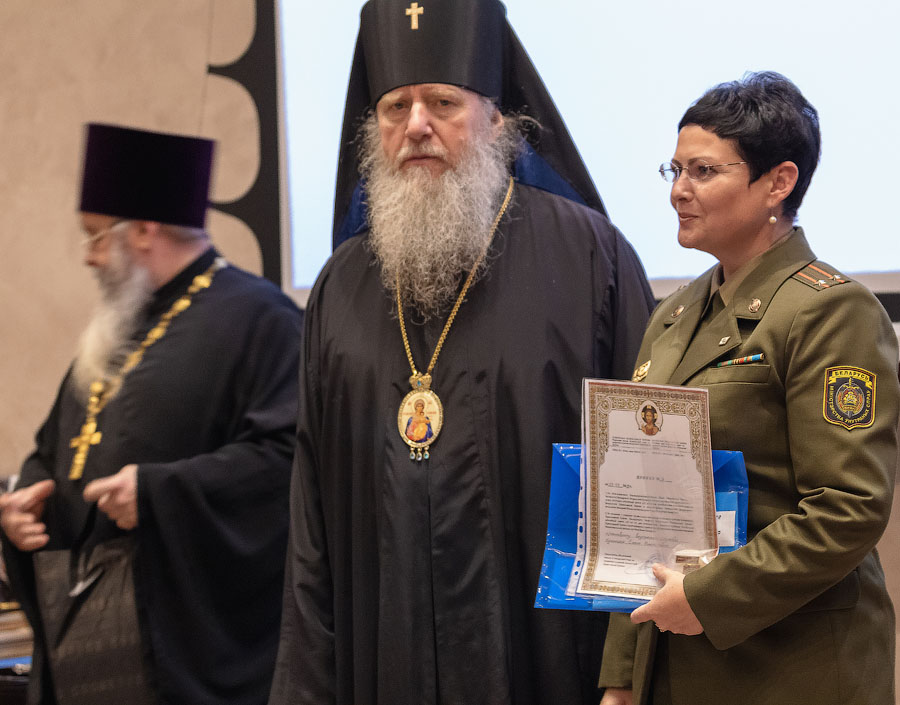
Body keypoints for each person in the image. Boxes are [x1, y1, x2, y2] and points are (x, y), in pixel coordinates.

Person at [267, 1, 655, 704]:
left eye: (443, 103)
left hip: (553, 664)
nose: (417, 125)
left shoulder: (590, 259)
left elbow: (644, 481)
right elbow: (312, 520)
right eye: (396, 107)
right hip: (386, 662)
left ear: (497, 120)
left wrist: (627, 675)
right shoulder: (340, 285)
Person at [598, 72, 898, 705]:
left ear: (779, 183)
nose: (678, 190)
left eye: (704, 171)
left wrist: (707, 597)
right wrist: (622, 679)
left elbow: (848, 507)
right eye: (674, 170)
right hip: (673, 662)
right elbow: (643, 510)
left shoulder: (830, 311)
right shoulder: (674, 314)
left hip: (790, 669)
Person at [0, 124, 302, 705]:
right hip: (89, 652)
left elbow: (288, 465)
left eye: (95, 236)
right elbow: (55, 449)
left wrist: (159, 494)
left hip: (191, 656)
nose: (88, 256)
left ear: (144, 229)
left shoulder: (263, 321)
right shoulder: (117, 326)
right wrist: (26, 503)